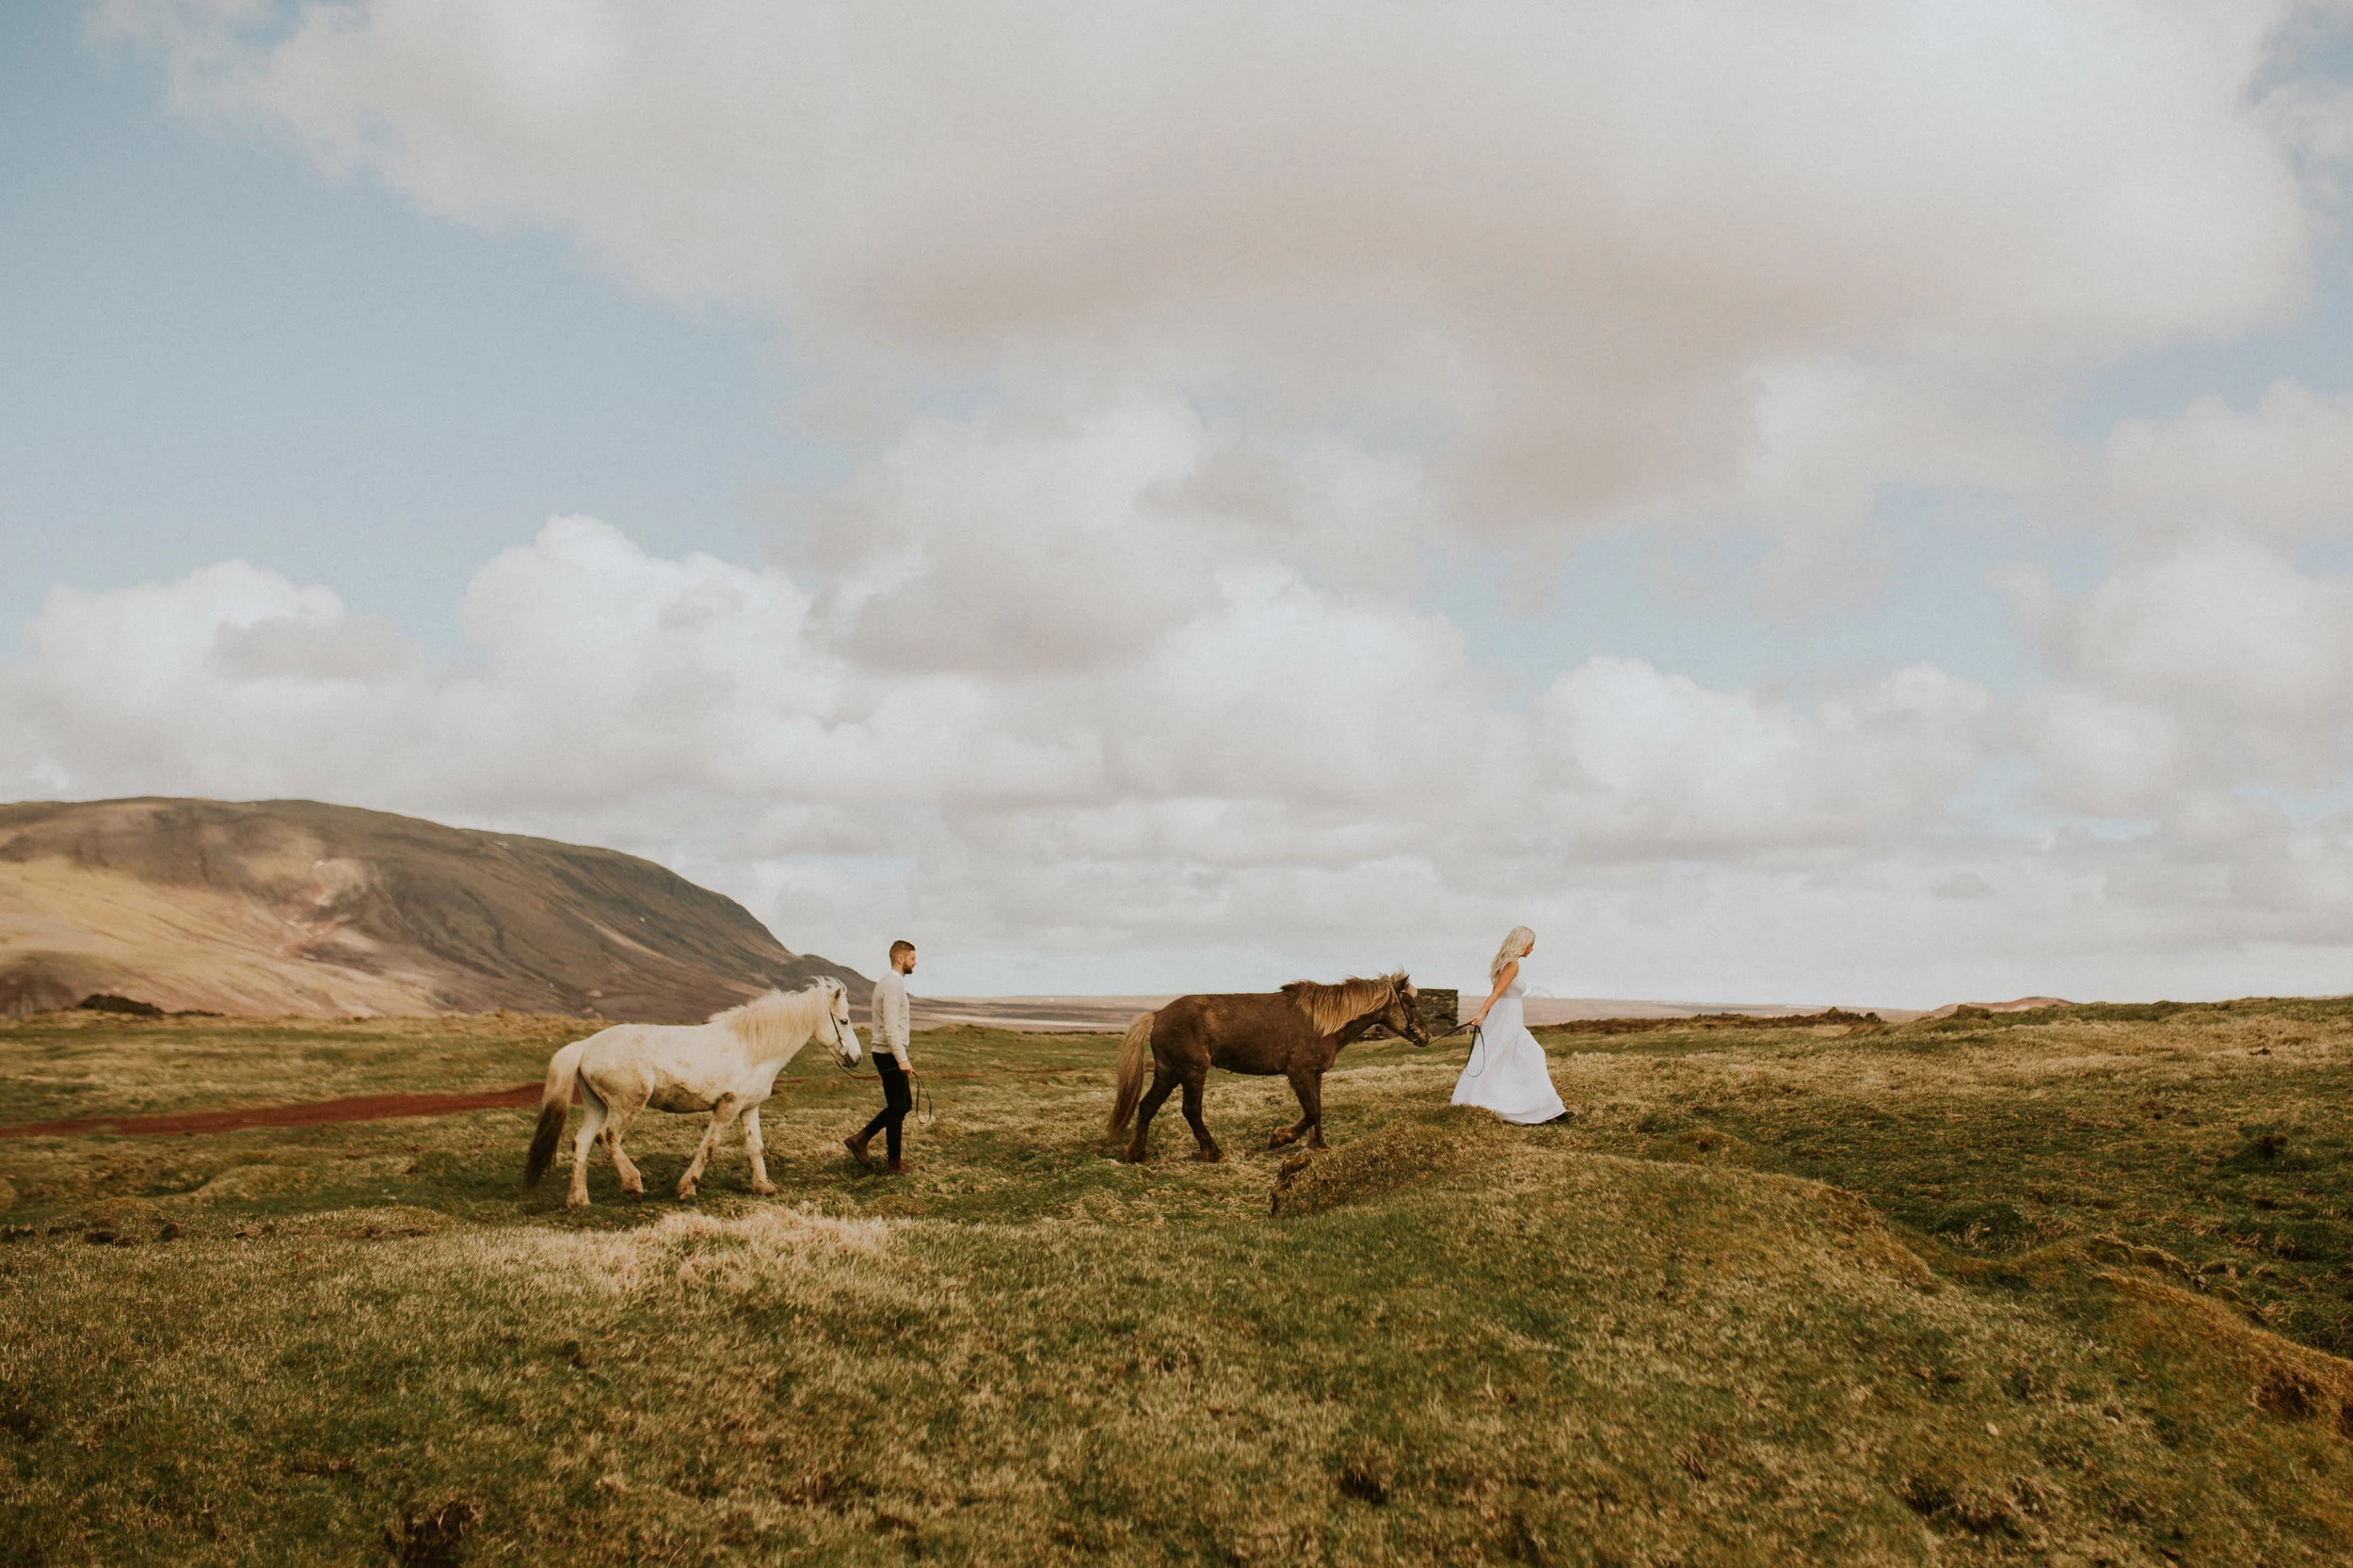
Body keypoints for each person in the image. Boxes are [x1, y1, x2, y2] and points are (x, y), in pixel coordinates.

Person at [1451, 925, 1570, 1125]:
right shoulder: (1512, 965)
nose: (1532, 949)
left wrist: (1485, 1014)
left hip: (1507, 1018)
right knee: (1528, 1056)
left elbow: (1497, 993)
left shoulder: (1504, 964)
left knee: (1510, 1059)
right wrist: (1482, 1013)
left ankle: (1551, 1109)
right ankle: (1547, 1110)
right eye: (1530, 945)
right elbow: (1497, 993)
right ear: (1522, 944)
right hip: (1507, 1020)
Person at [845, 939, 918, 1174]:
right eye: (913, 958)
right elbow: (890, 1028)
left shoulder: (888, 984)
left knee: (902, 1105)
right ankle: (886, 1157)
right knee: (899, 1106)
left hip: (887, 1053)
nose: (915, 963)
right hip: (888, 1054)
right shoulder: (892, 986)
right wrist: (902, 1058)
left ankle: (870, 1145)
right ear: (900, 959)